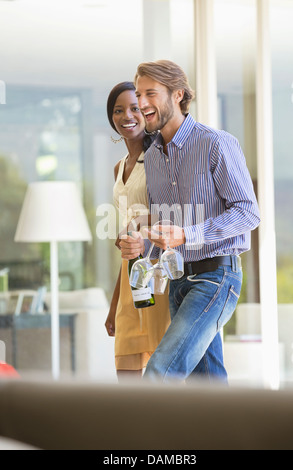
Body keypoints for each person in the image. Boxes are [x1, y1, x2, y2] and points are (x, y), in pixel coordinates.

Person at [119, 60, 260, 383]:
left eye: (150, 93)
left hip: (217, 277)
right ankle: (226, 435)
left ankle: (130, 434)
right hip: (178, 281)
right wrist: (142, 243)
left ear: (178, 94)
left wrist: (187, 234)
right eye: (139, 94)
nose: (140, 103)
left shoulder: (215, 144)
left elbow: (248, 212)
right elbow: (163, 225)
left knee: (159, 372)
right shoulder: (152, 157)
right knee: (206, 386)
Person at [105, 81, 170, 382]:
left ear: (145, 112)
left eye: (134, 108)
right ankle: (132, 431)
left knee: (164, 374)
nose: (126, 116)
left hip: (159, 274)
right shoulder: (118, 168)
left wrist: (139, 229)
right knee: (126, 378)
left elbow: (171, 213)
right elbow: (125, 245)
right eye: (118, 110)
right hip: (131, 275)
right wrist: (114, 303)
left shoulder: (161, 157)